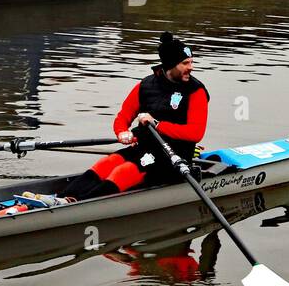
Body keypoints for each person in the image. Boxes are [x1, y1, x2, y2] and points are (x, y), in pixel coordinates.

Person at [64, 32, 209, 201]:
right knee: (108, 163)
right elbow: (123, 116)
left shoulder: (195, 91)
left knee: (125, 171)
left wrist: (156, 124)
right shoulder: (146, 85)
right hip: (143, 148)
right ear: (170, 64)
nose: (191, 67)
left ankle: (79, 205)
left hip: (172, 157)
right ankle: (61, 198)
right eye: (185, 63)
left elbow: (196, 133)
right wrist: (122, 132)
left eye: (191, 62)